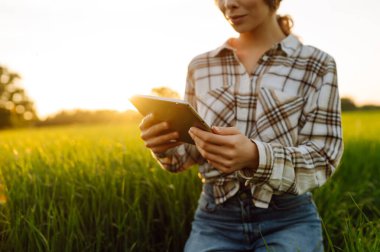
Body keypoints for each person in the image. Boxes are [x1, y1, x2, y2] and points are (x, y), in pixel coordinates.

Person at [138, 0, 343, 251]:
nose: (229, 4)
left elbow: (323, 158)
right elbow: (183, 158)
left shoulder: (317, 64)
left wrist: (255, 156)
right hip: (214, 220)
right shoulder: (200, 66)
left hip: (288, 219)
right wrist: (164, 145)